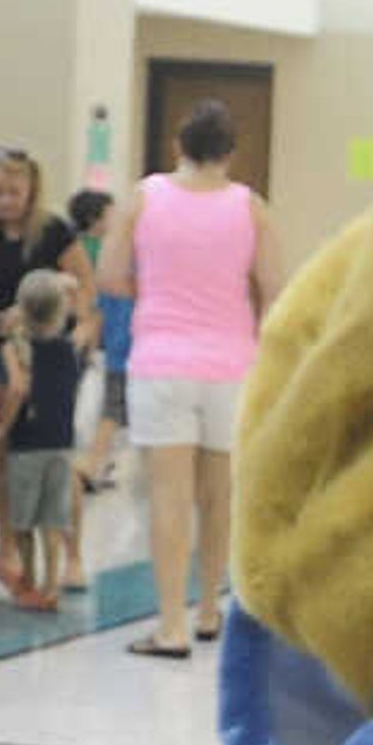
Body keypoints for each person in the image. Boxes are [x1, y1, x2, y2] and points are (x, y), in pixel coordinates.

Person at [101, 100, 269, 659]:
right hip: (231, 366)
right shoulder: (251, 208)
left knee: (169, 496)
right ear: (230, 152)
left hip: (163, 360)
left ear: (178, 144)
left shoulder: (144, 198)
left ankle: (170, 625)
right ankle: (208, 609)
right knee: (219, 495)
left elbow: (108, 275)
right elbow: (278, 289)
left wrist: (155, 295)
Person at [0, 147, 79, 589]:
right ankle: (7, 543)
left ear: (31, 189)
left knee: (55, 454)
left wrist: (62, 322)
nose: (5, 196)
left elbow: (81, 284)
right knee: (7, 452)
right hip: (1, 345)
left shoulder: (52, 231)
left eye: (14, 188)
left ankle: (71, 554)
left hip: (47, 346)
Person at [0, 270, 86, 611]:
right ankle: (51, 584)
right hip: (61, 443)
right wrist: (66, 288)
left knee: (22, 521)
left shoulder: (14, 349)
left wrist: (0, 430)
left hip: (26, 445)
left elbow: (18, 389)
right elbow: (75, 297)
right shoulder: (70, 348)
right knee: (53, 518)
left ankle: (28, 580)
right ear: (60, 311)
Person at [68, 187, 134, 498]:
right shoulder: (105, 251)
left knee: (105, 406)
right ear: (96, 219)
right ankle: (91, 465)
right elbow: (94, 301)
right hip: (112, 341)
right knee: (111, 408)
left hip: (100, 339)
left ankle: (95, 463)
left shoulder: (83, 248)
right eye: (111, 212)